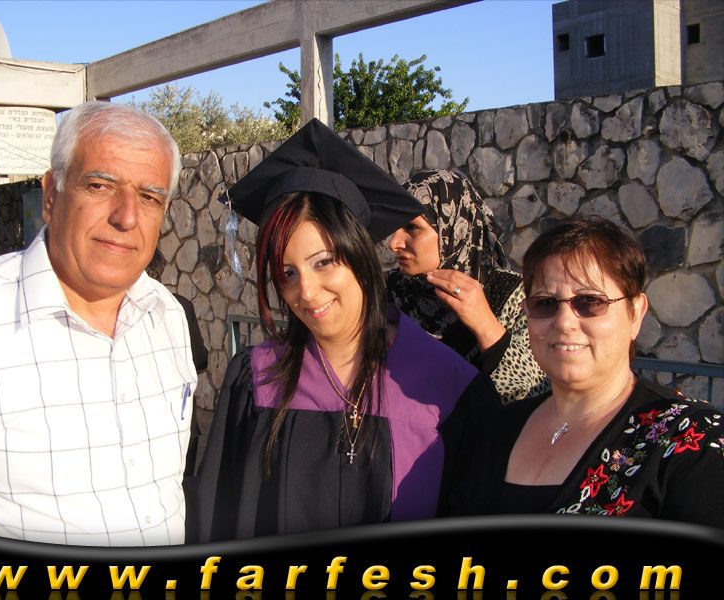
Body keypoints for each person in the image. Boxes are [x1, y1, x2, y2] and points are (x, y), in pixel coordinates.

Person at [187, 119, 499, 543]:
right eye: (287, 272)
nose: (306, 292)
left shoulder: (449, 386)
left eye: (324, 262)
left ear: (360, 257)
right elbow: (217, 523)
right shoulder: (255, 379)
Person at [0, 101, 198, 545]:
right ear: (51, 195)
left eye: (149, 197)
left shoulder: (167, 317)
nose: (126, 216)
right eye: (100, 185)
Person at [448, 217, 724, 528]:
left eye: (590, 301)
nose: (564, 322)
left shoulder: (690, 440)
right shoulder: (495, 430)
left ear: (635, 313)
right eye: (545, 303)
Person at [387, 169, 550, 403]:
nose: (394, 243)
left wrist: (485, 325)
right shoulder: (387, 295)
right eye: (395, 226)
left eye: (412, 228)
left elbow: (534, 397)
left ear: (454, 228)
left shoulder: (515, 297)